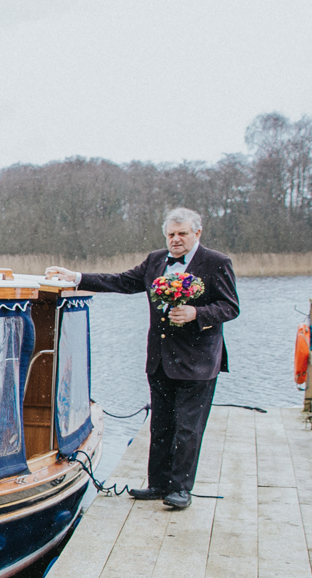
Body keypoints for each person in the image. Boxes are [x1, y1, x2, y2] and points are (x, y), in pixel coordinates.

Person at [44, 207, 239, 510]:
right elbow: (122, 281)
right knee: (160, 425)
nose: (176, 239)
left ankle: (181, 489)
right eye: (171, 234)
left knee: (188, 428)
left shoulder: (216, 263)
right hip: (160, 359)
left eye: (182, 234)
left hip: (198, 362)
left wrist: (196, 313)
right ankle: (158, 484)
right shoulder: (156, 260)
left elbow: (230, 307)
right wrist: (78, 277)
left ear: (197, 233)